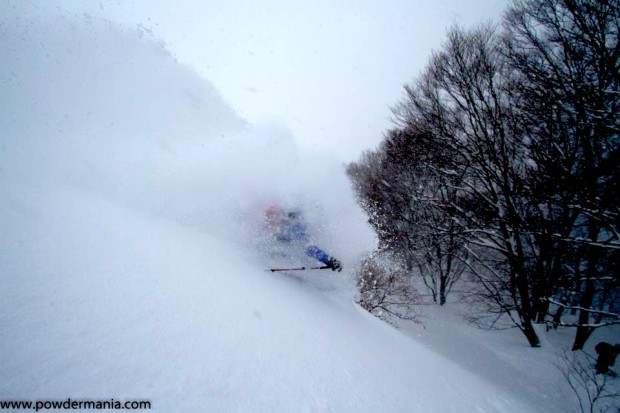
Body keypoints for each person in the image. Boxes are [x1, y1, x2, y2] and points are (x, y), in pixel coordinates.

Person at [264, 205, 342, 272]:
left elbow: (309, 248)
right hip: (288, 245)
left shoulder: (293, 229)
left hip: (298, 250)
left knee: (298, 248)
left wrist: (328, 260)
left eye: (272, 218)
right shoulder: (276, 225)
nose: (270, 221)